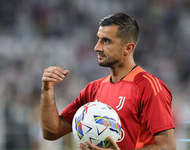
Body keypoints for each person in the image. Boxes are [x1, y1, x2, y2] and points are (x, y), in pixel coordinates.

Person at [40, 13, 176, 150]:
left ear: (128, 48)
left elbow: (167, 147)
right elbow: (52, 132)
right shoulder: (93, 89)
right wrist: (47, 90)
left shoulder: (148, 86)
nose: (97, 47)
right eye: (98, 39)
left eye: (106, 41)